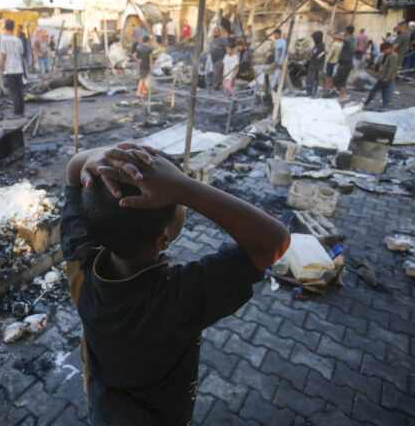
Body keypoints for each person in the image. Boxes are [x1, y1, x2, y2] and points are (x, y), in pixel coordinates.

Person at [61, 143, 289, 425]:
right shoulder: (173, 300)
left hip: (103, 407)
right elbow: (274, 242)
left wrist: (97, 156)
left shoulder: (80, 260)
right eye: (178, 202)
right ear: (163, 240)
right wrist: (184, 187)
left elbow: (73, 171)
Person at [0, 19, 26, 119]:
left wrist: (1, 70)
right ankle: (22, 111)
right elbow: (21, 56)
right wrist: (23, 69)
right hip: (19, 68)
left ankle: (17, 113)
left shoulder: (3, 40)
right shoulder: (18, 40)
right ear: (14, 27)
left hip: (10, 69)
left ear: (5, 27)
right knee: (20, 91)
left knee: (14, 91)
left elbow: (3, 56)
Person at [363, 42, 397, 109]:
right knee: (384, 92)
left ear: (389, 48)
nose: (385, 52)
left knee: (374, 90)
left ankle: (366, 103)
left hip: (385, 77)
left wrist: (386, 78)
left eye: (385, 51)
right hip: (385, 77)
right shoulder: (391, 55)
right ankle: (385, 106)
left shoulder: (393, 56)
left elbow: (391, 68)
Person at [328, 25, 356, 103]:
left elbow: (341, 38)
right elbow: (341, 37)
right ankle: (341, 95)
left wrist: (331, 34)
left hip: (346, 64)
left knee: (336, 81)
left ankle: (342, 94)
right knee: (342, 81)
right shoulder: (351, 39)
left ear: (347, 31)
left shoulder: (350, 38)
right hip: (346, 63)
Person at [305, 31, 325, 97]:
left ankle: (310, 93)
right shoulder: (317, 45)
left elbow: (318, 55)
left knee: (310, 79)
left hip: (315, 65)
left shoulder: (320, 46)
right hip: (314, 64)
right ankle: (310, 92)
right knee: (311, 79)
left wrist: (311, 55)